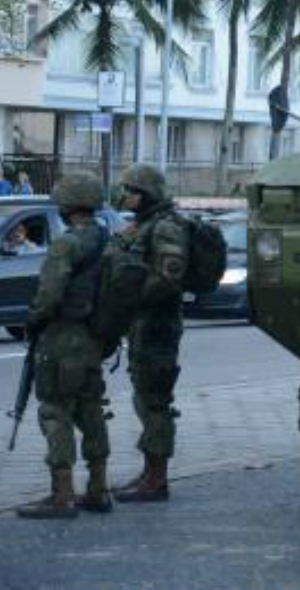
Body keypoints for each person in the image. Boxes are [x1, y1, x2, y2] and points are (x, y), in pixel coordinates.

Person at [16, 173, 112, 520]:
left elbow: (49, 294)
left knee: (55, 412)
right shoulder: (106, 239)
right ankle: (99, 489)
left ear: (68, 205)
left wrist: (33, 320)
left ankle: (62, 495)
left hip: (62, 337)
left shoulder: (66, 244)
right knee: (91, 410)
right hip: (93, 338)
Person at [111, 163, 189, 503]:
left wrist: (134, 299)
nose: (125, 195)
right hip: (142, 325)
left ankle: (156, 480)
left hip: (157, 325)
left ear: (148, 195)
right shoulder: (142, 226)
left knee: (155, 402)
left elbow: (169, 276)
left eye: (132, 190)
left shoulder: (165, 228)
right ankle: (148, 472)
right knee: (144, 399)